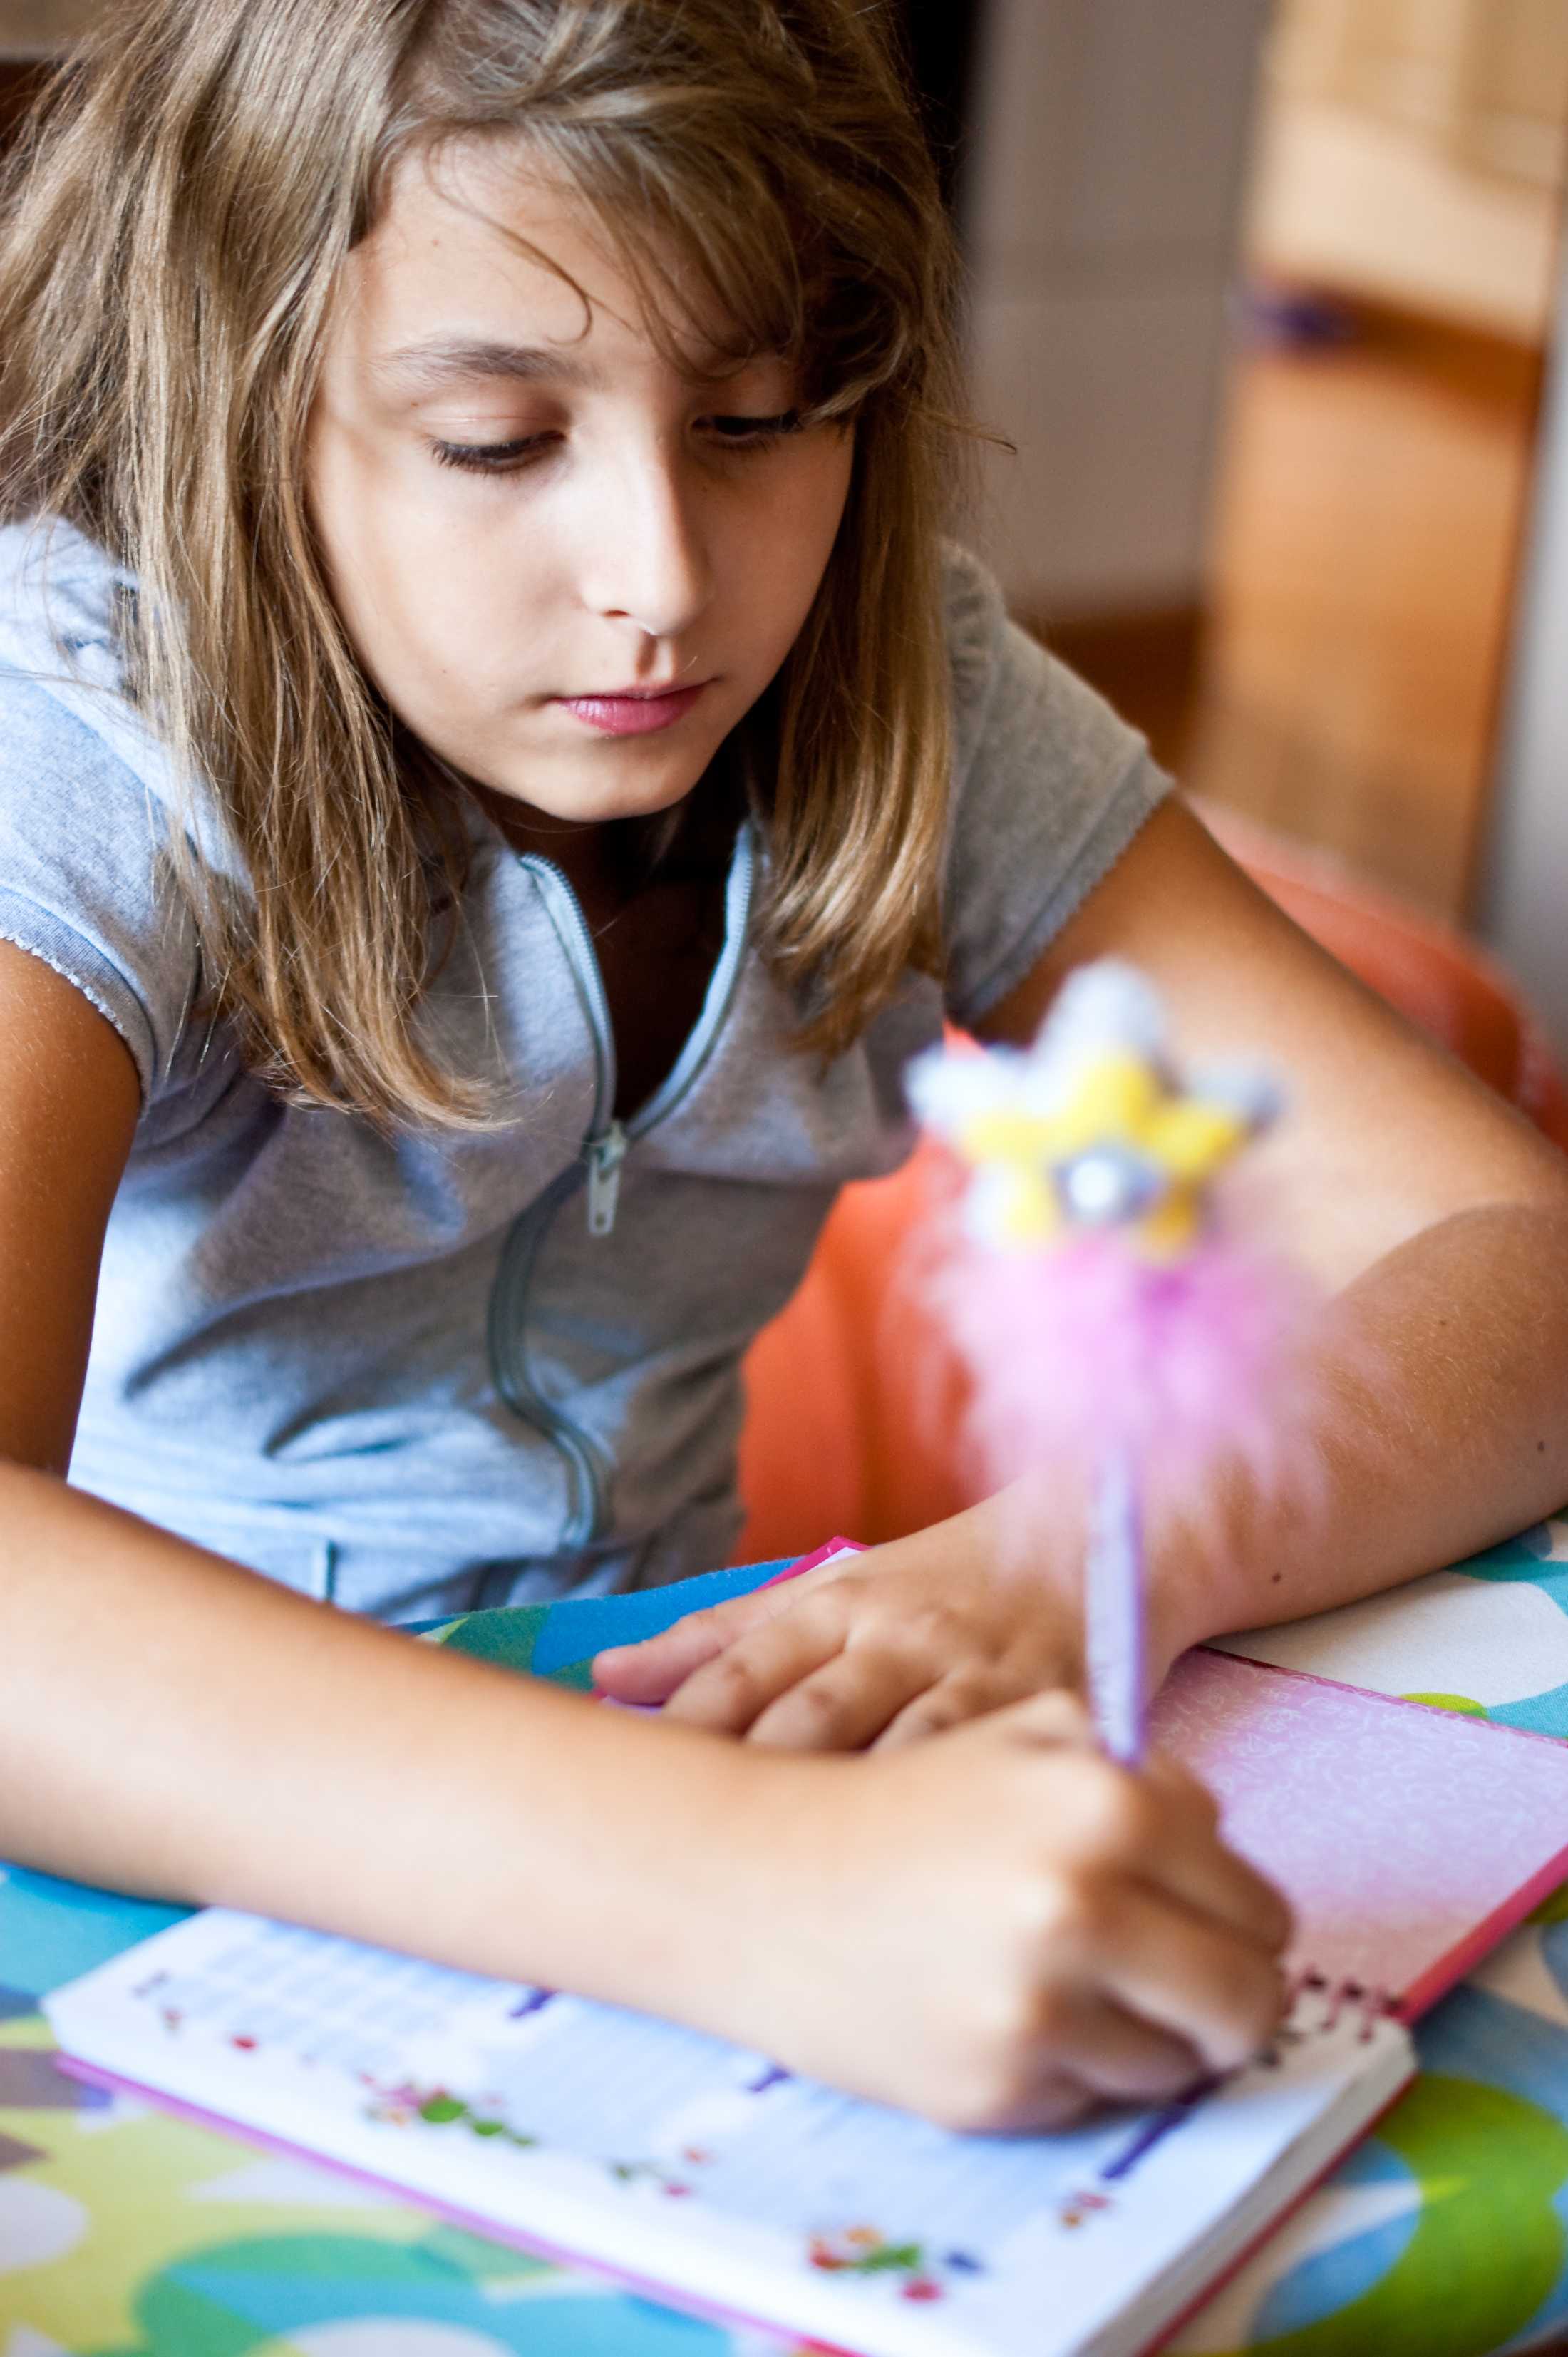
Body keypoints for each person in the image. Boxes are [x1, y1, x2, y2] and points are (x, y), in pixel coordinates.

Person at [0, 0, 1563, 2136]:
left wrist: (1080, 1545)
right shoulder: (82, 736)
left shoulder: (904, 682)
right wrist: (759, 1889)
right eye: (498, 440)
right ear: (241, 386)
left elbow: (1510, 1248)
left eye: (755, 418)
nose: (661, 581)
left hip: (727, 1773)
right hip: (177, 1855)